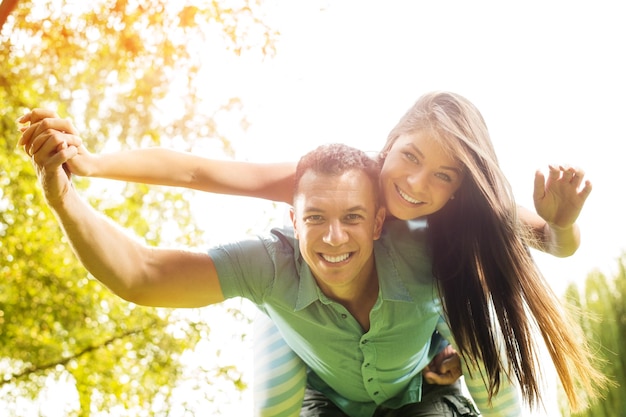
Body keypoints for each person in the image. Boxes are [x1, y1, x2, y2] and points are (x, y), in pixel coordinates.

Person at [18, 91, 606, 415]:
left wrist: (565, 222)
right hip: (315, 364)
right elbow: (200, 176)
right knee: (280, 312)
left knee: (478, 307)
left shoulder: (450, 230)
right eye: (408, 159)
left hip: (421, 363)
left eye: (443, 176)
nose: (416, 185)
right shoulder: (336, 185)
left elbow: (550, 241)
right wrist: (87, 170)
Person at [22, 133, 484, 415]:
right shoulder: (269, 264)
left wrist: (560, 230)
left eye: (354, 218)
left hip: (422, 396)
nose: (335, 238)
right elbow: (142, 274)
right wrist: (66, 196)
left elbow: (511, 229)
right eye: (317, 218)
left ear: (380, 221)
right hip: (325, 400)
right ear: (293, 218)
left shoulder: (422, 247)